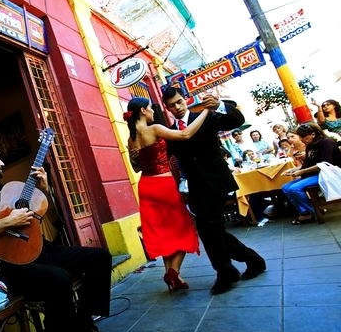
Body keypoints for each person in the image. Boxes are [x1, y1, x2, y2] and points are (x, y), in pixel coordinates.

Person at [0, 143, 116, 332]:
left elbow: (48, 220)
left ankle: (84, 325)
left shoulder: (9, 190)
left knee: (100, 258)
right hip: (10, 268)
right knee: (58, 278)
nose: (2, 162)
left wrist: (45, 190)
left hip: (40, 251)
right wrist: (7, 222)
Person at [161, 86, 266, 295]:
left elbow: (236, 120)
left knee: (206, 224)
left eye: (179, 102)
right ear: (168, 108)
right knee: (213, 229)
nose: (177, 107)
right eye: (172, 105)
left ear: (185, 100)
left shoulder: (205, 117)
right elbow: (162, 156)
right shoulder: (171, 133)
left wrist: (219, 105)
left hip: (217, 181)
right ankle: (254, 260)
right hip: (196, 187)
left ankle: (226, 273)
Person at [125, 97, 207, 292]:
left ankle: (172, 276)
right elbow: (185, 134)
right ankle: (174, 271)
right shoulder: (154, 129)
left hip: (146, 187)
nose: (153, 112)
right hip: (164, 185)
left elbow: (136, 168)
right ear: (143, 111)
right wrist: (205, 111)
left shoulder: (131, 139)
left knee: (162, 232)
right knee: (182, 228)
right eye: (150, 108)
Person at [281, 122, 341, 224]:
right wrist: (295, 169)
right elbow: (309, 163)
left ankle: (315, 211)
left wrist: (302, 171)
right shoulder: (310, 145)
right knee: (285, 188)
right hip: (316, 172)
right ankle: (305, 212)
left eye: (303, 137)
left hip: (329, 173)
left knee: (294, 188)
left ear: (313, 134)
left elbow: (325, 164)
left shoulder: (326, 142)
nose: (301, 139)